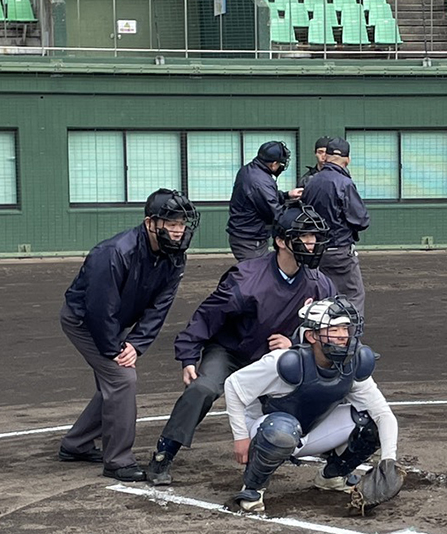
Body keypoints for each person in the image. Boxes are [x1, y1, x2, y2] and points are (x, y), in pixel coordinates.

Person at [147, 205, 337, 486]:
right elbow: (207, 315)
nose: (312, 244)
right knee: (202, 388)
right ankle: (165, 452)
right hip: (231, 351)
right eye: (305, 237)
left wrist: (296, 345)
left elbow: (328, 331)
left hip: (276, 357)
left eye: (315, 238)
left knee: (322, 381)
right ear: (282, 241)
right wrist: (188, 356)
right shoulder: (247, 279)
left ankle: (327, 454)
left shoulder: (319, 283)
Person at [59, 189, 199, 482]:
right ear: (151, 222)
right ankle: (118, 460)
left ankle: (76, 444)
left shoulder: (175, 257)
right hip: (84, 320)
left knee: (114, 383)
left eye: (181, 225)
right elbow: (99, 309)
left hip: (115, 321)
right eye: (170, 224)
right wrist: (114, 349)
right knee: (122, 379)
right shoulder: (114, 253)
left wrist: (136, 344)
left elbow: (160, 307)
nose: (177, 232)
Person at [223, 296, 399, 515]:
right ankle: (253, 488)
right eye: (334, 330)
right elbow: (233, 385)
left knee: (369, 423)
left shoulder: (353, 365)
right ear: (312, 336)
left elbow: (383, 414)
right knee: (281, 429)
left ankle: (332, 476)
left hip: (309, 432)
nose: (343, 336)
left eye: (345, 328)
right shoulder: (285, 363)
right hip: (266, 431)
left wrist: (388, 460)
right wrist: (241, 437)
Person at [300, 136, 369, 320]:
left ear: (326, 156)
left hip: (313, 250)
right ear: (347, 159)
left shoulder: (311, 181)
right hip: (339, 250)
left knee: (321, 296)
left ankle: (318, 337)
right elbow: (361, 220)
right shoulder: (344, 183)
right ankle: (347, 339)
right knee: (353, 296)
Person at [226, 140, 304, 262]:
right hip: (249, 240)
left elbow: (261, 197)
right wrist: (298, 217)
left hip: (244, 235)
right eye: (279, 164)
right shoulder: (260, 181)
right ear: (273, 164)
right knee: (256, 276)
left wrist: (287, 195)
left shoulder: (249, 169)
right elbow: (275, 213)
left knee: (258, 273)